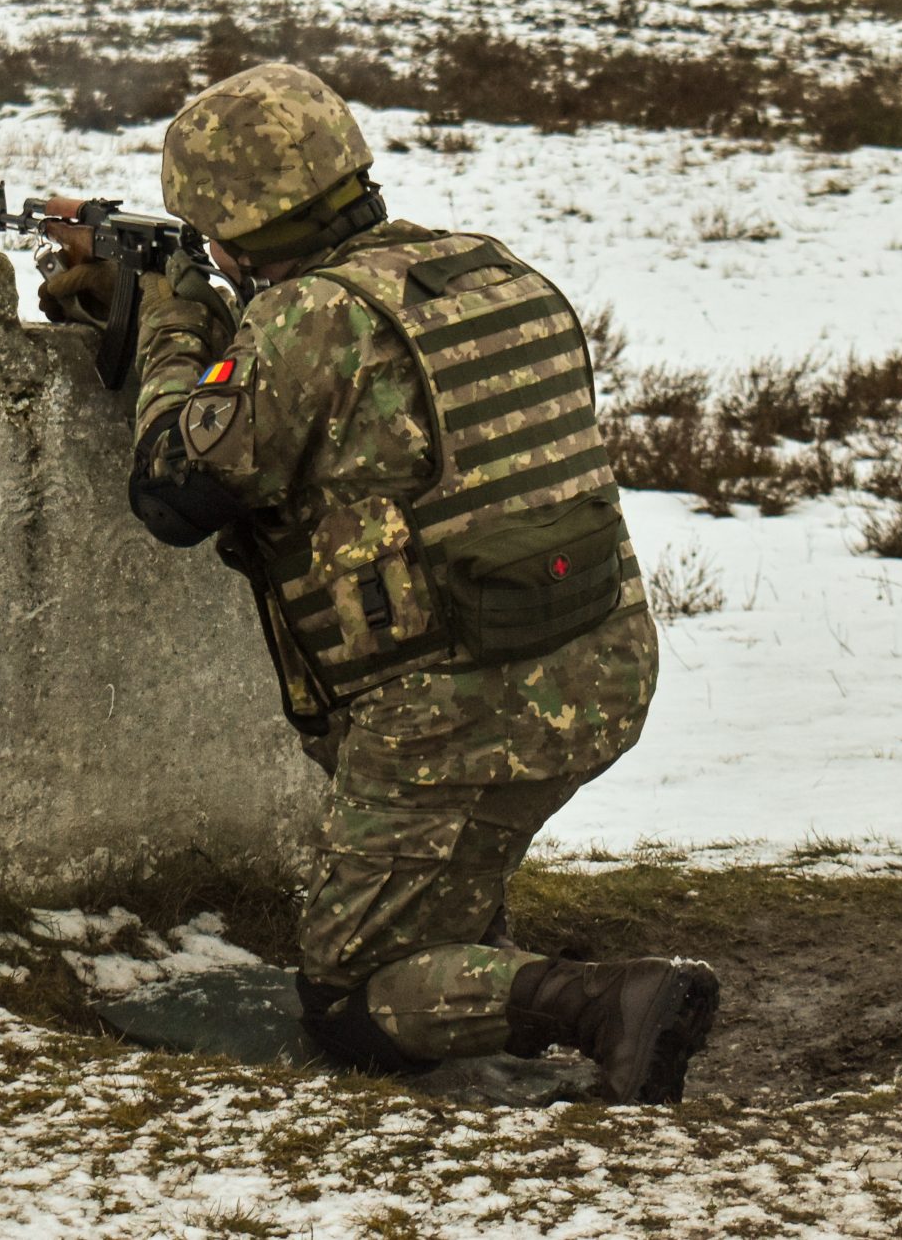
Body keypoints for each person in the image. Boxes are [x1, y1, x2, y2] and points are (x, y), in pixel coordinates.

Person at [38, 62, 719, 1102]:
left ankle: (607, 1004)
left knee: (353, 995)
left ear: (233, 233)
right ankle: (478, 956)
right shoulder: (487, 269)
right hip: (598, 664)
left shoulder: (304, 321)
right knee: (435, 870)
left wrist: (172, 321)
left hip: (460, 712)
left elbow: (173, 490)